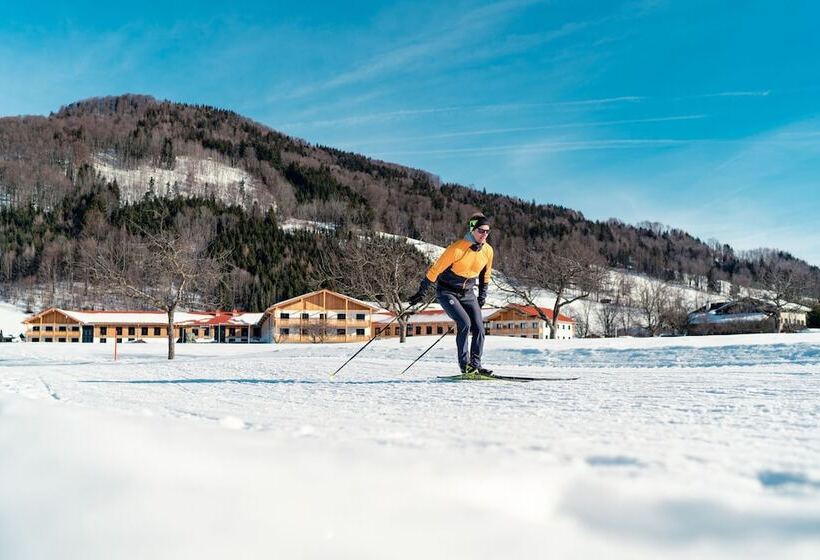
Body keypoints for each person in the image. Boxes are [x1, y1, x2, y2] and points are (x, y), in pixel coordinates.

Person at [409, 212, 494, 376]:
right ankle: (465, 366)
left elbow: (486, 275)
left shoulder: (488, 251)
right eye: (481, 231)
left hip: (468, 292)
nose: (485, 234)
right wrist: (422, 291)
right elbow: (436, 269)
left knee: (479, 328)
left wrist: (482, 296)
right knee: (465, 323)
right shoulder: (457, 248)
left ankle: (476, 365)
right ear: (472, 230)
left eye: (487, 231)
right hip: (447, 291)